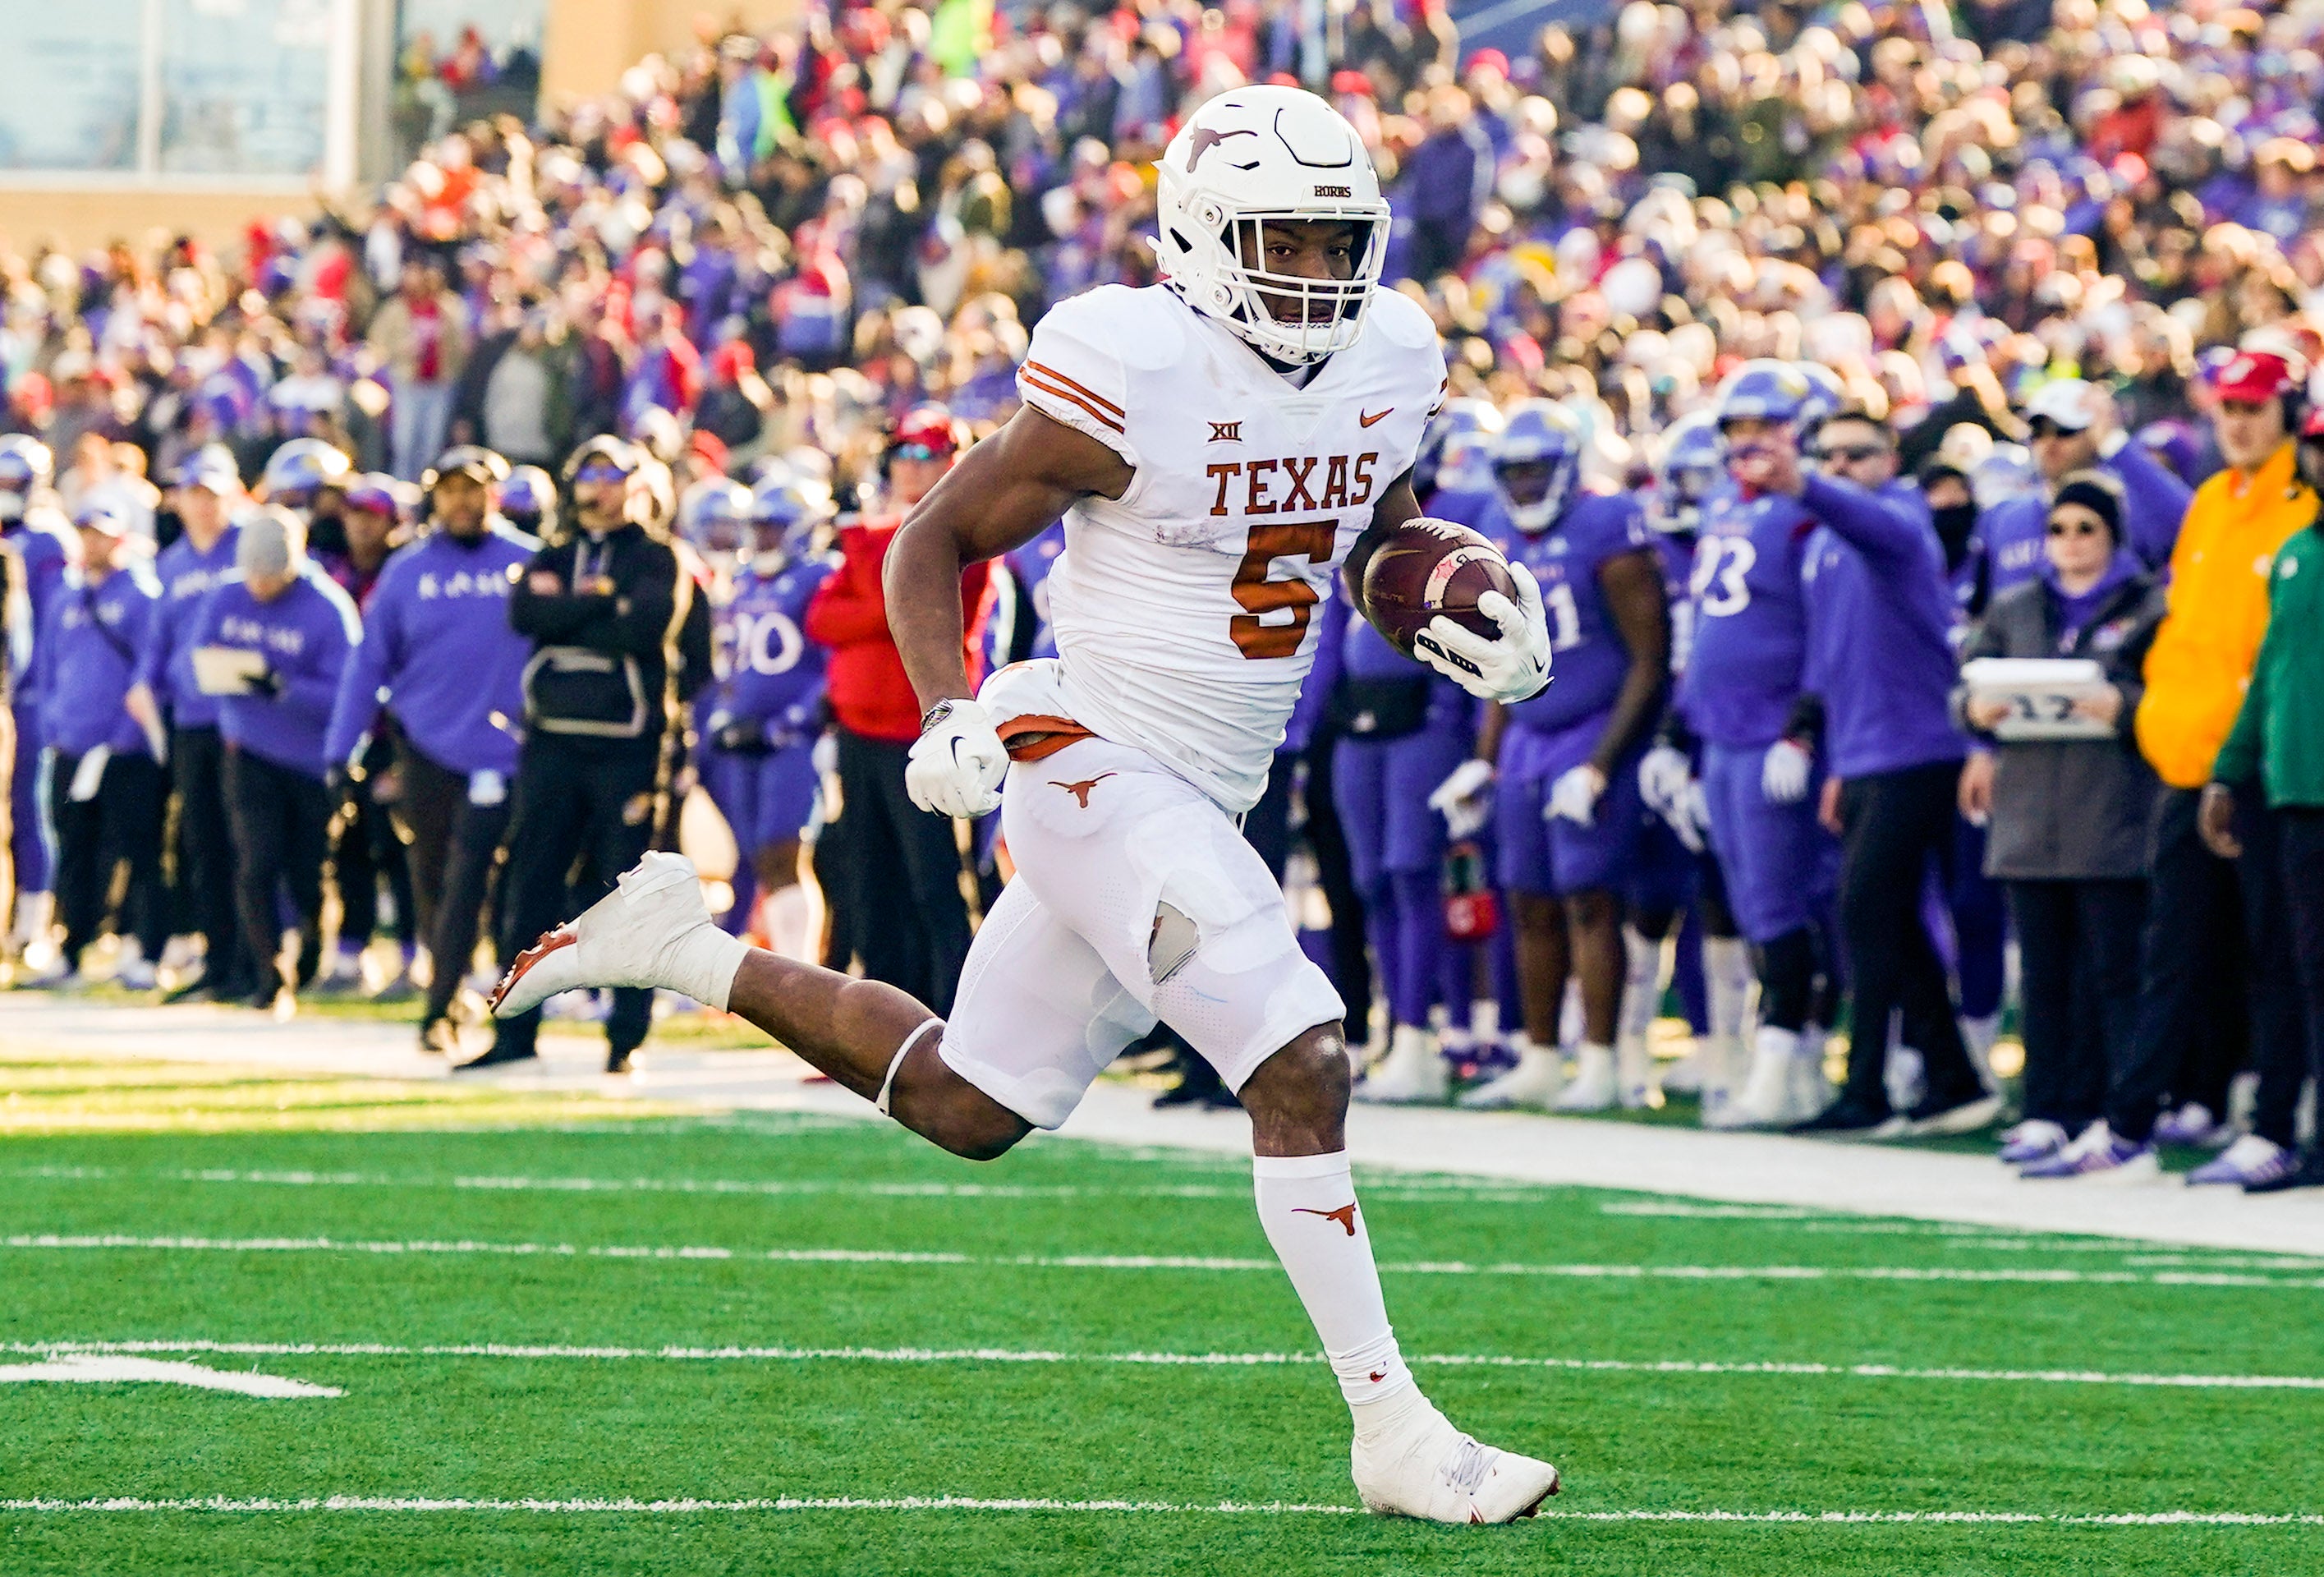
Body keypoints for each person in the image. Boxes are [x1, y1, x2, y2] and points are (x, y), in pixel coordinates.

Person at [489, 86, 1562, 1524]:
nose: (1309, 273)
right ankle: (1397, 1432)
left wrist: (1440, 596)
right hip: (1088, 748)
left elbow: (1364, 528)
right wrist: (950, 708)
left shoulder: (1389, 355)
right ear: (1196, 235)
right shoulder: (1133, 368)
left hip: (1205, 785)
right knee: (1301, 1057)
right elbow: (932, 537)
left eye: (1330, 241)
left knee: (969, 1102)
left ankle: (683, 947)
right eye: (1277, 241)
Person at [2108, 349, 2317, 1183]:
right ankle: (2139, 1119)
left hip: (2273, 767)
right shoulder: (2207, 502)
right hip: (2191, 758)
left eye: (2254, 408)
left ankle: (2269, 1120)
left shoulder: (2302, 511)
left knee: (2274, 955)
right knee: (2174, 947)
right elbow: (2188, 631)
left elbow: (2270, 657)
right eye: (2228, 407)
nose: (2237, 423)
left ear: (2288, 415)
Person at [1773, 402, 2000, 1137]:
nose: (1843, 466)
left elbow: (1867, 523)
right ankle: (1953, 1079)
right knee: (1886, 918)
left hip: (1923, 746)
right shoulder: (1822, 547)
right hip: (1867, 752)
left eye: (1858, 454)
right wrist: (1833, 756)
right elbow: (1833, 657)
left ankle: (1867, 1088)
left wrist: (1803, 482)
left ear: (1890, 461)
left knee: (1867, 912)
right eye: (1830, 455)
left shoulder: (1900, 524)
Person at [1448, 402, 1670, 1113]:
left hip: (1589, 728)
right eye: (1511, 471)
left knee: (1590, 901)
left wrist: (1603, 762)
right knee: (1528, 901)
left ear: (1569, 468)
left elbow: (1649, 658)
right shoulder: (1499, 532)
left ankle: (1602, 1061)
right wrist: (1486, 759)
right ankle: (1542, 1056)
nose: (1523, 483)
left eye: (1536, 469)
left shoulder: (1607, 524)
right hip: (1527, 737)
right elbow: (1500, 663)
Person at [458, 435, 695, 1074]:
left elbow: (644, 626)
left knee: (628, 894)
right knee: (528, 886)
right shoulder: (555, 553)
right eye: (589, 476)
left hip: (628, 749)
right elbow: (526, 613)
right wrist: (595, 601)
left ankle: (625, 1039)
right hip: (551, 745)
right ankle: (512, 1032)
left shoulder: (657, 556)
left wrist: (572, 608)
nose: (601, 489)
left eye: (613, 476)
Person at [1952, 473, 2166, 1177]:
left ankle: (2117, 1111)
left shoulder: (2146, 607)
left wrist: (2124, 706)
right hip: (2028, 815)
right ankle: (2045, 1110)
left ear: (2113, 535)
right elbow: (1964, 682)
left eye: (2087, 529)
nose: (2071, 544)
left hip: (2110, 814)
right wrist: (1974, 716)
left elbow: (2166, 698)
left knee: (2111, 974)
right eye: (2058, 529)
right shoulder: (2017, 604)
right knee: (2041, 977)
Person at [1669, 365, 1840, 1129]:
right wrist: (1678, 737)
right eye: (1738, 430)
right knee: (1745, 900)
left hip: (1775, 730)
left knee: (1782, 903)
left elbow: (1829, 630)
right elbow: (1704, 632)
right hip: (1724, 731)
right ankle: (1789, 1062)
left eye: (1764, 429)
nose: (1748, 446)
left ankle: (1789, 1061)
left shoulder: (1810, 516)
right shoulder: (1722, 507)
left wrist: (1803, 727)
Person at [325, 447, 537, 1054]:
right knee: (436, 881)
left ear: (495, 493)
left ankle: (477, 1001)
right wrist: (343, 748)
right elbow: (369, 662)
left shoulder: (529, 563)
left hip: (512, 750)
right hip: (429, 747)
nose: (462, 502)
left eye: (473, 490)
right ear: (433, 498)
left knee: (495, 883)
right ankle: (447, 996)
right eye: (449, 491)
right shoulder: (407, 571)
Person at [801, 404, 988, 1014]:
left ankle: (960, 1023)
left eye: (927, 455)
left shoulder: (973, 530)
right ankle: (883, 1029)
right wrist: (873, 582)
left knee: (933, 884)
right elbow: (823, 619)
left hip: (923, 732)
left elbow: (902, 606)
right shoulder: (870, 538)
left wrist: (865, 562)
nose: (912, 468)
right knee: (870, 882)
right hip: (860, 730)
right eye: (903, 455)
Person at [2196, 409, 2324, 1194]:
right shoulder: (2298, 552)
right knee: (2302, 970)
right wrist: (2227, 770)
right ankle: (2300, 1133)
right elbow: (2271, 670)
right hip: (2297, 797)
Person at [189, 508, 362, 1011]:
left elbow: (345, 693)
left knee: (307, 870)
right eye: (254, 576)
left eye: (271, 577)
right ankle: (269, 976)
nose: (260, 587)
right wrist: (231, 673)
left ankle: (311, 950)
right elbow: (198, 659)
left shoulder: (327, 607)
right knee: (255, 862)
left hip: (310, 760)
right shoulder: (226, 594)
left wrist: (283, 685)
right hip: (248, 750)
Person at [29, 503, 165, 987]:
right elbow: (48, 668)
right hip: (72, 745)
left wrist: (126, 736)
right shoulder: (65, 597)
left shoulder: (142, 596)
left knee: (139, 849)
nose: (92, 543)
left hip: (124, 750)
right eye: (85, 534)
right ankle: (72, 948)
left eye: (101, 535)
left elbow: (150, 669)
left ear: (120, 539)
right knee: (75, 850)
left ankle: (147, 950)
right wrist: (53, 726)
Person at [131, 448, 250, 1001]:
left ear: (231, 495)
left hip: (244, 720)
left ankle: (257, 959)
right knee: (201, 843)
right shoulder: (172, 562)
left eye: (211, 494)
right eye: (192, 494)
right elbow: (158, 641)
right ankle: (218, 958)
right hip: (190, 720)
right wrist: (143, 684)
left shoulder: (250, 548)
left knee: (246, 844)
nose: (201, 506)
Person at [696, 475, 833, 959]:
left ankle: (802, 969)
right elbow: (734, 659)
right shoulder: (745, 580)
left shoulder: (820, 577)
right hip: (746, 737)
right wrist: (727, 715)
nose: (763, 537)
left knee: (784, 852)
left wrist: (790, 722)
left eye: (774, 527)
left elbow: (831, 663)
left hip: (792, 740)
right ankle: (790, 968)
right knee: (758, 855)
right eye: (758, 527)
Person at [315, 471, 420, 995]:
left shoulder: (406, 578)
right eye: (354, 514)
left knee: (399, 847)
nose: (360, 525)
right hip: (345, 726)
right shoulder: (336, 577)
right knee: (350, 843)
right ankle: (352, 954)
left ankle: (411, 955)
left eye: (372, 516)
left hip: (397, 731)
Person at [1973, 379, 2195, 592]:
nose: (2049, 443)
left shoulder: (2128, 505)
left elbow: (2191, 525)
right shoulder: (2002, 516)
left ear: (2094, 433)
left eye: (2064, 431)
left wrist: (2115, 444)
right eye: (2038, 431)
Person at [0, 435, 71, 958]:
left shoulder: (49, 541)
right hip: (12, 685)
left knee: (30, 805)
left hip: (32, 692)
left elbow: (53, 627)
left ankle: (34, 920)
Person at [370, 257, 472, 481]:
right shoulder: (396, 308)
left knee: (431, 444)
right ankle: (402, 490)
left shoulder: (449, 306)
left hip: (439, 385)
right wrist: (402, 349)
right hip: (407, 384)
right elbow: (376, 343)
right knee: (405, 442)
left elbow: (462, 347)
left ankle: (425, 492)